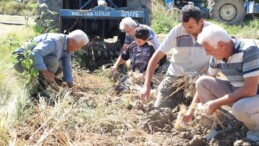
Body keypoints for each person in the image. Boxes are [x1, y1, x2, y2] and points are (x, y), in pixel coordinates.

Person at [184, 25, 259, 142]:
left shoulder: (249, 50)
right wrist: (191, 109)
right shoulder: (217, 56)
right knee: (202, 82)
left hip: (254, 95)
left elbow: (250, 89)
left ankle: (256, 130)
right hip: (239, 91)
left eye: (208, 50)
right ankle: (219, 126)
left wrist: (216, 103)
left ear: (221, 45)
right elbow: (207, 78)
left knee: (239, 108)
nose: (207, 54)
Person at [139, 5, 212, 108]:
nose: (186, 30)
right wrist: (146, 86)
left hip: (201, 78)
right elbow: (155, 58)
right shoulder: (177, 31)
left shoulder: (212, 32)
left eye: (190, 27)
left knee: (203, 112)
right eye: (184, 26)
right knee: (160, 109)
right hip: (175, 76)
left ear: (201, 21)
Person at [13, 29, 89, 88]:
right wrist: (47, 73)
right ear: (72, 42)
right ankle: (39, 86)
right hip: (20, 60)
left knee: (60, 68)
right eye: (80, 46)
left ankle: (43, 82)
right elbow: (35, 53)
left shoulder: (68, 48)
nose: (79, 49)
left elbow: (67, 68)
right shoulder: (55, 41)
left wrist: (71, 87)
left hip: (31, 60)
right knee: (53, 62)